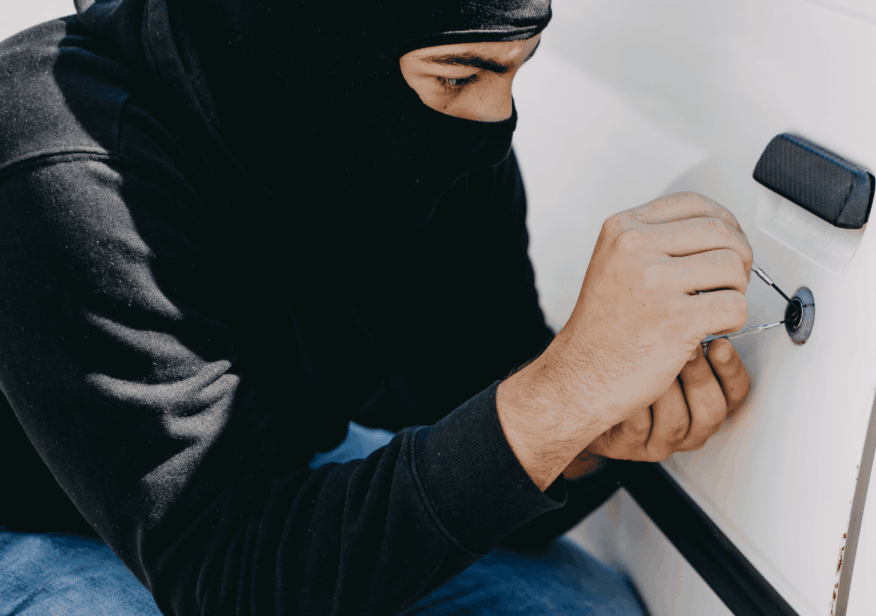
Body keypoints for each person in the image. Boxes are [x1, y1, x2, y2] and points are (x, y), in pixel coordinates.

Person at [0, 0, 755, 614]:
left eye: (516, 72)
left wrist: (588, 432)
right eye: (461, 77)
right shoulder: (63, 161)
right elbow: (225, 575)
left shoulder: (433, 144)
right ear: (314, 44)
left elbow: (473, 421)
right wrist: (558, 397)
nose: (494, 130)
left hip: (256, 482)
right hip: (39, 523)